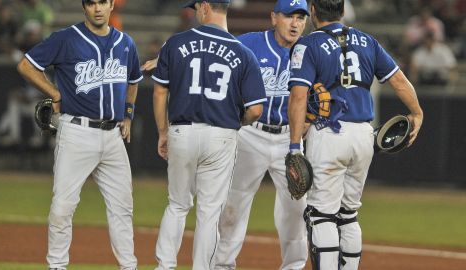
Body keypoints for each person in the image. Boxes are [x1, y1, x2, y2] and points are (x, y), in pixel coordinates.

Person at [288, 0, 423, 270]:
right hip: (363, 135)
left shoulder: (308, 44)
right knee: (348, 214)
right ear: (342, 12)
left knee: (321, 215)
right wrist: (417, 112)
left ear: (313, 11)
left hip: (328, 134)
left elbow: (299, 97)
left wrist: (294, 146)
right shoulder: (367, 41)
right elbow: (397, 80)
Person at [16, 0, 143, 269]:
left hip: (113, 136)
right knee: (63, 206)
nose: (97, 8)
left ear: (112, 6)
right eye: (91, 3)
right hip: (76, 131)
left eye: (102, 2)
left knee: (123, 207)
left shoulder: (126, 43)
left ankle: (129, 266)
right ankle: (57, 266)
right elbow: (26, 65)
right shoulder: (66, 39)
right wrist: (55, 93)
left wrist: (128, 114)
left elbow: (133, 81)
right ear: (84, 7)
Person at [151, 0, 266, 269]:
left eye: (195, 7)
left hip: (182, 131)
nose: (193, 12)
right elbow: (257, 110)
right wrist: (239, 121)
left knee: (178, 205)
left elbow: (159, 92)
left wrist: (162, 132)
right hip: (221, 135)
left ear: (204, 7)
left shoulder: (176, 43)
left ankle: (165, 266)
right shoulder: (243, 52)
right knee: (209, 213)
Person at [214, 0, 309, 269]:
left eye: (300, 17)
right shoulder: (249, 44)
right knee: (233, 204)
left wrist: (309, 121)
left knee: (297, 207)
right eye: (289, 16)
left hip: (289, 141)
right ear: (273, 18)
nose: (295, 23)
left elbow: (320, 95)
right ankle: (222, 264)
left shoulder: (309, 51)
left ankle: (293, 266)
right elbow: (214, 57)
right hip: (250, 135)